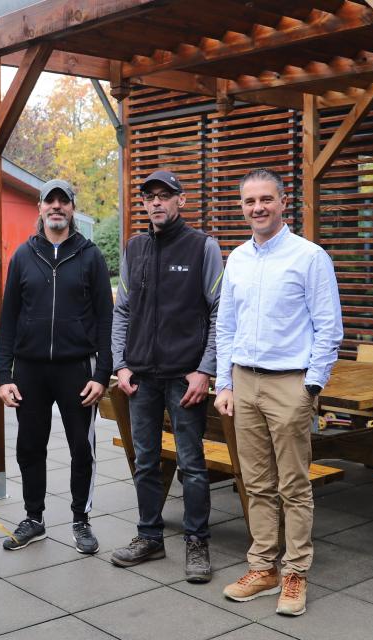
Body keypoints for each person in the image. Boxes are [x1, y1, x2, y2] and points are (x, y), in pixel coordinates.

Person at [215, 168, 343, 616]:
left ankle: (295, 573)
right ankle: (263, 567)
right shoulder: (237, 258)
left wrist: (311, 386)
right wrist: (224, 382)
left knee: (294, 484)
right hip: (244, 382)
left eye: (266, 199)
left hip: (290, 382)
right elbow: (225, 325)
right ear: (242, 206)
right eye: (250, 201)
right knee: (256, 483)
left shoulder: (309, 257)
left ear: (283, 202)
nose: (258, 208)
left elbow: (329, 328)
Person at [110, 169, 223, 584]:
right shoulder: (134, 248)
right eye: (149, 196)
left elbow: (218, 312)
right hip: (141, 377)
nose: (156, 202)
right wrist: (120, 364)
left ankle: (197, 542)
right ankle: (149, 536)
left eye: (165, 195)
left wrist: (205, 369)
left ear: (181, 201)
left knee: (192, 464)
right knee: (145, 461)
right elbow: (122, 310)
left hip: (184, 378)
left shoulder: (202, 247)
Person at [0, 179, 113, 555]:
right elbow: (9, 316)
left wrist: (101, 374)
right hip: (30, 369)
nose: (57, 207)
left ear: (72, 209)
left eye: (64, 201)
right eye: (51, 201)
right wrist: (4, 375)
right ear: (40, 208)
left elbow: (105, 320)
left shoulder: (90, 255)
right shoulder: (23, 256)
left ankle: (81, 518)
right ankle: (34, 518)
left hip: (76, 369)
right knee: (30, 445)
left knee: (82, 447)